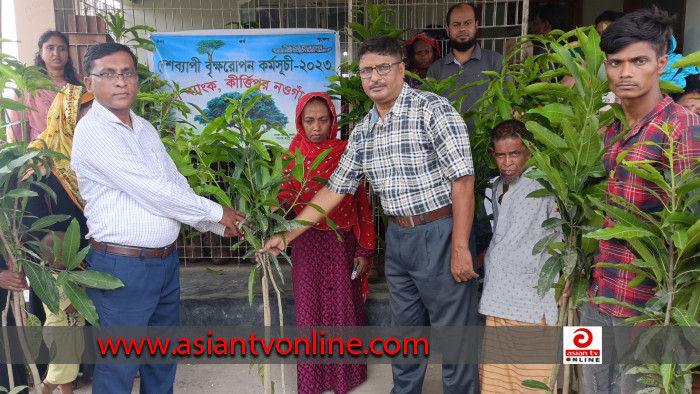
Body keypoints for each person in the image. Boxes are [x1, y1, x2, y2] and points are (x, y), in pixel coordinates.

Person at [262, 36, 479, 394]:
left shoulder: (432, 109)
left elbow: (464, 180)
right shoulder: (363, 131)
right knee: (406, 330)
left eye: (383, 67)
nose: (374, 77)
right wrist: (287, 235)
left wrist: (459, 246)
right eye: (366, 70)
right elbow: (333, 191)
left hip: (440, 229)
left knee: (453, 333)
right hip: (399, 236)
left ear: (401, 69)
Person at [71, 42, 245, 393]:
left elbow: (174, 183)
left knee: (162, 357)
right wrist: (218, 213)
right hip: (123, 267)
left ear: (136, 80)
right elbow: (154, 190)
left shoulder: (144, 127)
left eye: (127, 73)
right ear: (89, 83)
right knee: (121, 365)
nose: (120, 82)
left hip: (164, 261)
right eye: (108, 74)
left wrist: (216, 225)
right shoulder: (94, 131)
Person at [582, 8, 700, 393]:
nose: (625, 73)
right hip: (596, 297)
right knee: (591, 384)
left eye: (639, 61)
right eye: (615, 63)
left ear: (661, 63)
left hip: (647, 310)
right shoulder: (610, 128)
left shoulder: (683, 128)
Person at [278, 92, 375, 394]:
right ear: (299, 122)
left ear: (334, 121)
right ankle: (314, 380)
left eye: (323, 120)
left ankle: (345, 377)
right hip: (304, 241)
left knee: (344, 306)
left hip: (341, 239)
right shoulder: (288, 157)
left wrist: (362, 249)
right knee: (310, 309)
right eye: (309, 121)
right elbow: (280, 201)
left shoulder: (346, 153)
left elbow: (359, 202)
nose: (316, 127)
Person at [21, 83, 93, 394]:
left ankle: (58, 385)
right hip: (57, 259)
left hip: (88, 255)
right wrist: (63, 257)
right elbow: (30, 218)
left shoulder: (90, 154)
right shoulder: (39, 160)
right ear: (66, 116)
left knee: (73, 324)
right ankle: (51, 385)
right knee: (63, 322)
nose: (93, 119)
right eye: (86, 112)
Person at [478, 120, 559, 393]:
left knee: (533, 371)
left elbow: (560, 236)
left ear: (529, 152)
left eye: (514, 154)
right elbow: (501, 236)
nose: (507, 162)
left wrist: (563, 280)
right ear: (493, 154)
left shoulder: (546, 185)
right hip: (498, 291)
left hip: (531, 294)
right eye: (501, 155)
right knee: (498, 374)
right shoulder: (498, 185)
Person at [427, 3, 504, 131]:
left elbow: (506, 102)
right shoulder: (436, 69)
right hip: (448, 145)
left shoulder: (495, 61)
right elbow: (429, 112)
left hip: (486, 144)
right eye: (456, 25)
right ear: (448, 30)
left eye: (467, 23)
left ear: (476, 25)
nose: (462, 28)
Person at [8, 30, 82, 143]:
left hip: (76, 147)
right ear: (41, 52)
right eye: (50, 48)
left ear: (68, 53)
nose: (56, 53)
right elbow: (18, 126)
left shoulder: (81, 83)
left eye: (62, 48)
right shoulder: (28, 86)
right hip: (41, 152)